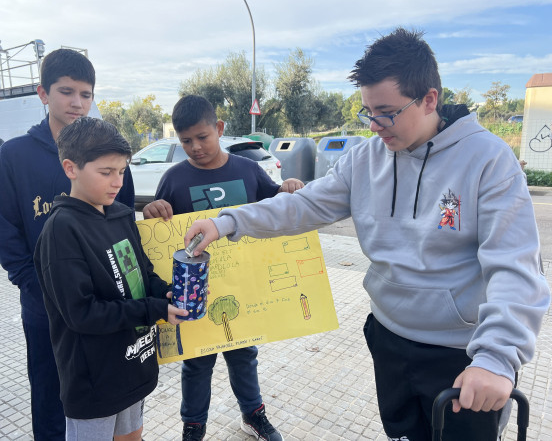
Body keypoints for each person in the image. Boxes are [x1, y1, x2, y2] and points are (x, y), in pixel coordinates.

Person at [183, 29, 551, 441]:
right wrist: (226, 223)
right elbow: (303, 206)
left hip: (462, 356)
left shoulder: (489, 160)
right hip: (388, 338)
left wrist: (497, 358)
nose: (374, 125)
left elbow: (515, 268)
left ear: (429, 99)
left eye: (386, 111)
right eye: (367, 112)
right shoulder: (365, 158)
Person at [0, 48, 135, 440]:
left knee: (115, 393)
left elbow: (123, 221)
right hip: (45, 309)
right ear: (43, 93)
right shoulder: (14, 156)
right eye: (66, 91)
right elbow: (5, 234)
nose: (77, 102)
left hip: (106, 305)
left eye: (86, 94)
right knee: (52, 398)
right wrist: (38, 290)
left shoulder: (107, 150)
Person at [143, 95, 303, 441]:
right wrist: (154, 210)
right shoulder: (173, 178)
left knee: (245, 354)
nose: (195, 147)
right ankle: (193, 426)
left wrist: (287, 189)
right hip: (196, 292)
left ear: (219, 128)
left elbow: (276, 206)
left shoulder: (248, 170)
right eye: (186, 141)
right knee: (197, 362)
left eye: (203, 137)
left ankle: (254, 414)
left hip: (245, 286)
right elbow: (162, 233)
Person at [34, 117, 188, 441]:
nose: (117, 182)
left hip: (135, 363)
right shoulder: (61, 230)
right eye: (106, 172)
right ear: (70, 168)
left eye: (121, 171)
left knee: (133, 437)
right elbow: (82, 313)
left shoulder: (120, 214)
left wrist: (170, 293)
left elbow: (143, 272)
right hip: (93, 380)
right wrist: (153, 309)